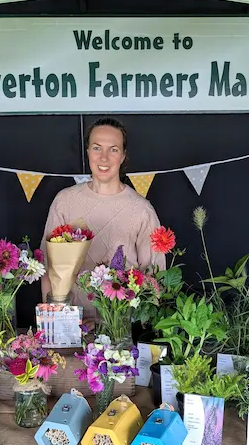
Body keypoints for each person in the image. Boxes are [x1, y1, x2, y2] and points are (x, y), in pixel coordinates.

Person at [41, 117, 165, 323]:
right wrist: (54, 322)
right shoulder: (64, 201)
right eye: (97, 148)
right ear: (88, 151)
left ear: (124, 156)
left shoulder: (142, 210)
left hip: (120, 327)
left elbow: (154, 277)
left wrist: (124, 323)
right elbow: (48, 266)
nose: (104, 158)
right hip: (71, 326)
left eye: (113, 149)